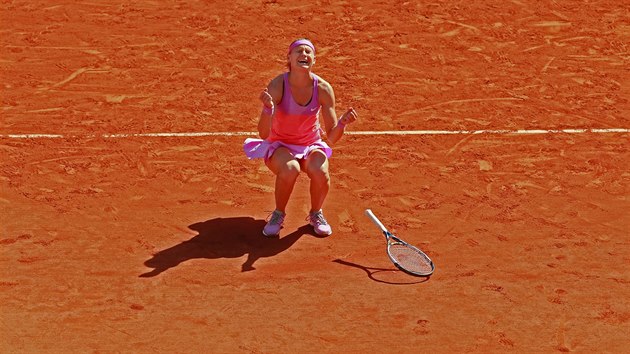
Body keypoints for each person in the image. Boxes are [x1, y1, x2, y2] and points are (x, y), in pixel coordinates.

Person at [243, 38, 358, 237]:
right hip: (280, 145)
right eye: (299, 51)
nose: (303, 54)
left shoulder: (322, 88)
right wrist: (268, 109)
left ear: (314, 59)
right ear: (289, 57)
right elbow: (263, 134)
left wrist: (342, 124)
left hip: (309, 145)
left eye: (308, 52)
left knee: (320, 170)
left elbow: (330, 139)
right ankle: (278, 214)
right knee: (290, 169)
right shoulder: (278, 84)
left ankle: (316, 214)